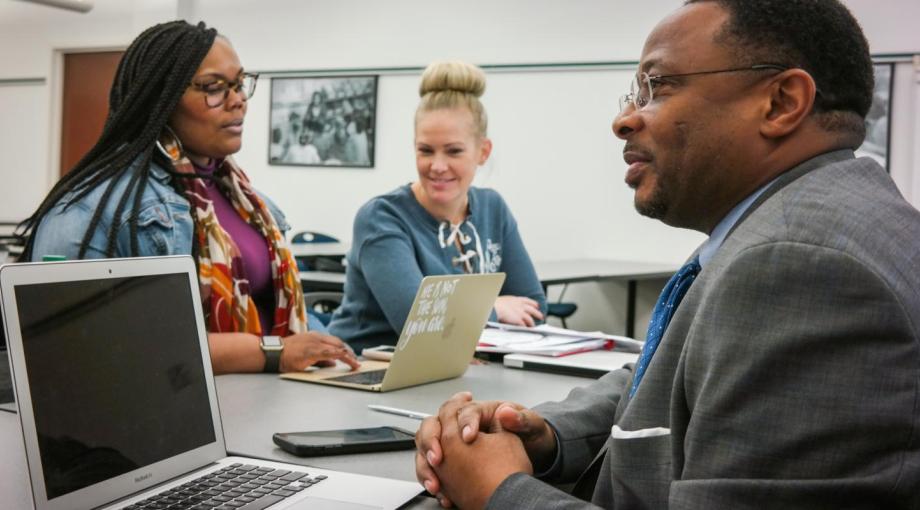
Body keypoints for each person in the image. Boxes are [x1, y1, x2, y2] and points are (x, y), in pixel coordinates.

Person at [414, 1, 920, 508]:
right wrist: (546, 434)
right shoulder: (798, 221)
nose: (623, 119)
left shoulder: (799, 264)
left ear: (781, 102)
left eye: (658, 86)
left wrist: (499, 492)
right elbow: (670, 379)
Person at [19, 21, 359, 375]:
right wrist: (270, 352)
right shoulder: (94, 209)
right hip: (166, 416)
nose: (238, 100)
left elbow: (276, 312)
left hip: (266, 402)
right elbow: (85, 345)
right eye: (214, 88)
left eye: (240, 84)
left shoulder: (252, 203)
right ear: (162, 99)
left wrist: (339, 352)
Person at [327, 61, 547, 353]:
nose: (438, 166)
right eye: (425, 150)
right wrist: (493, 308)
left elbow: (532, 307)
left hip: (462, 369)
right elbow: (417, 327)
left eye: (454, 151)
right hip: (365, 372)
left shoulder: (493, 208)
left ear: (483, 152)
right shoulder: (381, 218)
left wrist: (474, 317)